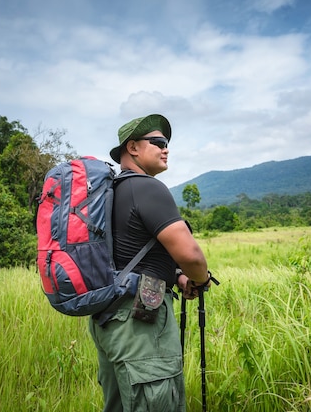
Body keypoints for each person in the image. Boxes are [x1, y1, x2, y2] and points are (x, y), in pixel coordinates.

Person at [89, 114, 212, 411]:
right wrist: (199, 278)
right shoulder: (148, 187)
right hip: (140, 323)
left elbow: (129, 252)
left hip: (109, 318)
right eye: (158, 142)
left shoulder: (111, 193)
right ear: (132, 147)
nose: (166, 148)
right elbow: (192, 255)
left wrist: (177, 276)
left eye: (166, 143)